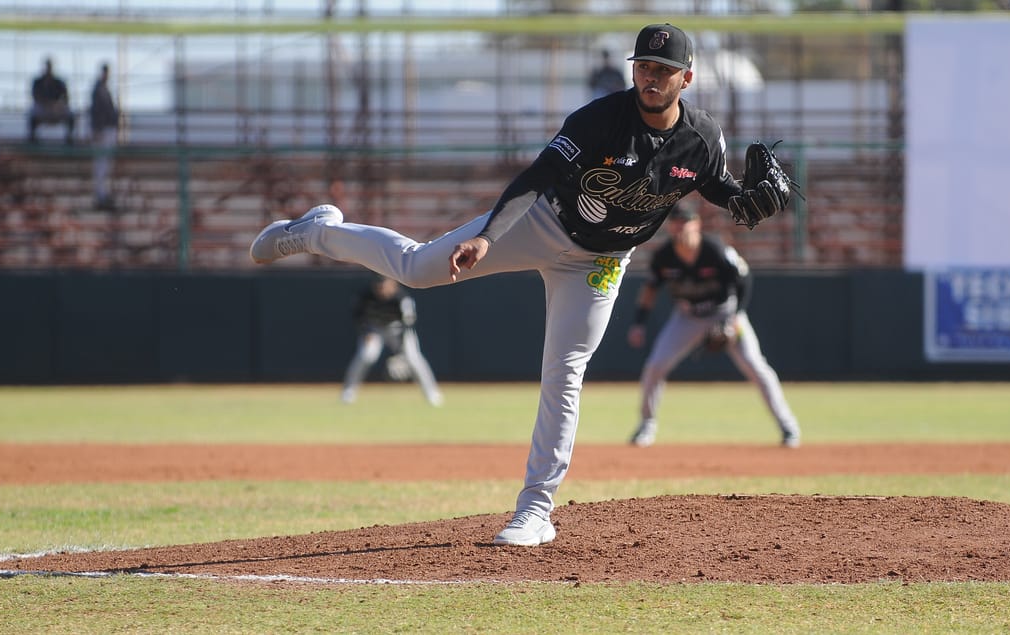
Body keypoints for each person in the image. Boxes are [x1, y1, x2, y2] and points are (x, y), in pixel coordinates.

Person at [249, 23, 788, 546]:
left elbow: (717, 187)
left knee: (565, 371)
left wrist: (746, 201)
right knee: (416, 268)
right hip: (541, 223)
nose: (650, 77)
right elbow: (536, 176)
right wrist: (488, 236)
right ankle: (321, 233)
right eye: (643, 65)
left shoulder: (702, 136)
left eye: (663, 70)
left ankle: (535, 510)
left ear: (685, 79)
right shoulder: (598, 120)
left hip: (601, 259)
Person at [625, 205, 801, 448]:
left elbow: (743, 278)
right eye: (675, 223)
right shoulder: (664, 256)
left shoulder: (715, 249)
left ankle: (788, 426)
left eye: (684, 222)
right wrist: (639, 323)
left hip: (724, 312)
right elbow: (650, 290)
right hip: (687, 316)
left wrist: (735, 317)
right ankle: (647, 425)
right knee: (655, 365)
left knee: (755, 366)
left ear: (696, 224)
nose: (679, 227)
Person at [341, 276, 443, 407]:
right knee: (366, 355)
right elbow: (358, 316)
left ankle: (432, 393)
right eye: (378, 286)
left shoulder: (401, 298)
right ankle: (349, 391)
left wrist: (400, 351)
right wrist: (365, 332)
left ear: (393, 284)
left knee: (413, 358)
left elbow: (408, 324)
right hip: (374, 329)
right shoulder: (366, 295)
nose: (381, 289)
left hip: (398, 330)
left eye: (384, 285)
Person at [89, 63, 120, 210]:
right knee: (101, 165)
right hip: (102, 130)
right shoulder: (98, 90)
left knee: (105, 164)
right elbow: (96, 112)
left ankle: (103, 194)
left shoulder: (103, 89)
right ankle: (100, 195)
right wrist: (97, 130)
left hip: (106, 129)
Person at [27, 58, 76, 144]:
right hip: (43, 108)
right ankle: (32, 138)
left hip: (56, 109)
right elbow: (35, 96)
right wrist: (46, 104)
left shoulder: (58, 82)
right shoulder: (38, 82)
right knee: (32, 113)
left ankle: (69, 138)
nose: (48, 68)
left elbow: (66, 97)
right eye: (47, 66)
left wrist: (57, 105)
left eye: (50, 66)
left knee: (70, 114)